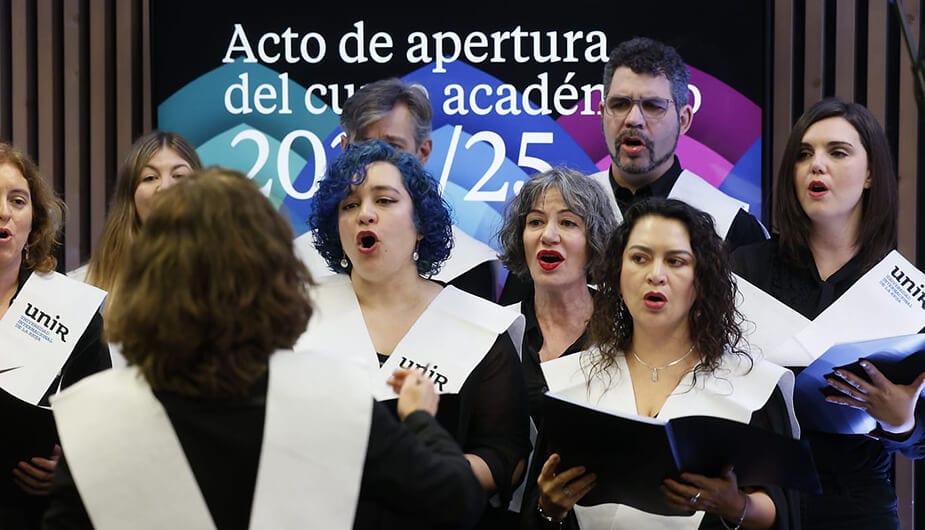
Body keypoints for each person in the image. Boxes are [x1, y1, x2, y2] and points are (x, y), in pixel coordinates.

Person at [42, 167, 487, 529]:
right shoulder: (332, 400)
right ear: (275, 273)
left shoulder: (93, 420)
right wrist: (419, 419)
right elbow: (454, 501)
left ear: (147, 278)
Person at [295, 140, 532, 529]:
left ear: (420, 224)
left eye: (385, 201)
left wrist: (426, 480)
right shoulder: (296, 318)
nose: (364, 214)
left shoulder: (478, 326)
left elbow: (504, 454)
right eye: (349, 205)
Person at [523, 197, 798, 529]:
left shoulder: (753, 386)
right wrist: (549, 507)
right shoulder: (573, 378)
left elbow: (785, 511)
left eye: (676, 261)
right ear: (618, 271)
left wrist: (734, 505)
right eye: (639, 258)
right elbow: (537, 510)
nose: (655, 275)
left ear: (702, 277)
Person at [731, 97, 925, 530]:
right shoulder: (745, 268)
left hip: (859, 503)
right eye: (804, 154)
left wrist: (901, 421)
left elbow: (919, 441)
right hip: (760, 500)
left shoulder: (905, 291)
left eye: (837, 152)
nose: (816, 165)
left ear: (871, 172)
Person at [499, 37, 766, 306]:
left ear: (683, 120)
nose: (633, 119)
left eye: (652, 106)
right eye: (620, 104)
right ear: (603, 113)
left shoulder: (731, 227)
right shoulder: (557, 219)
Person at [293, 77, 501, 301]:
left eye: (392, 147)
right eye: (363, 146)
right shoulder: (298, 260)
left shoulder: (470, 265)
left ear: (423, 152)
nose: (375, 158)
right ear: (344, 149)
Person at [0, 142, 110, 530]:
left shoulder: (71, 312)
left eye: (17, 201)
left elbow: (104, 424)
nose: (4, 212)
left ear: (34, 223)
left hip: (28, 515)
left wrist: (71, 467)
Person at [496, 167, 617, 429]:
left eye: (568, 222)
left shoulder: (626, 328)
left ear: (595, 240)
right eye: (536, 222)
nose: (548, 236)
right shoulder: (497, 329)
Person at [76, 130, 202, 292]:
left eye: (179, 176)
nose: (165, 187)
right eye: (150, 177)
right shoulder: (84, 287)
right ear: (129, 196)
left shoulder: (231, 281)